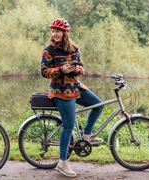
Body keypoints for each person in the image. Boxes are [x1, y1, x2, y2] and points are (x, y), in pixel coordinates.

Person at [40, 18, 104, 177]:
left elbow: (81, 67)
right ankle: (62, 163)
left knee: (98, 105)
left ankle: (87, 136)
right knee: (68, 126)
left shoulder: (74, 48)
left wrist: (77, 71)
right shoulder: (49, 50)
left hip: (75, 87)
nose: (54, 34)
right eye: (53, 31)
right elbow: (44, 72)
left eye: (57, 31)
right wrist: (61, 69)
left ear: (65, 33)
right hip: (60, 91)